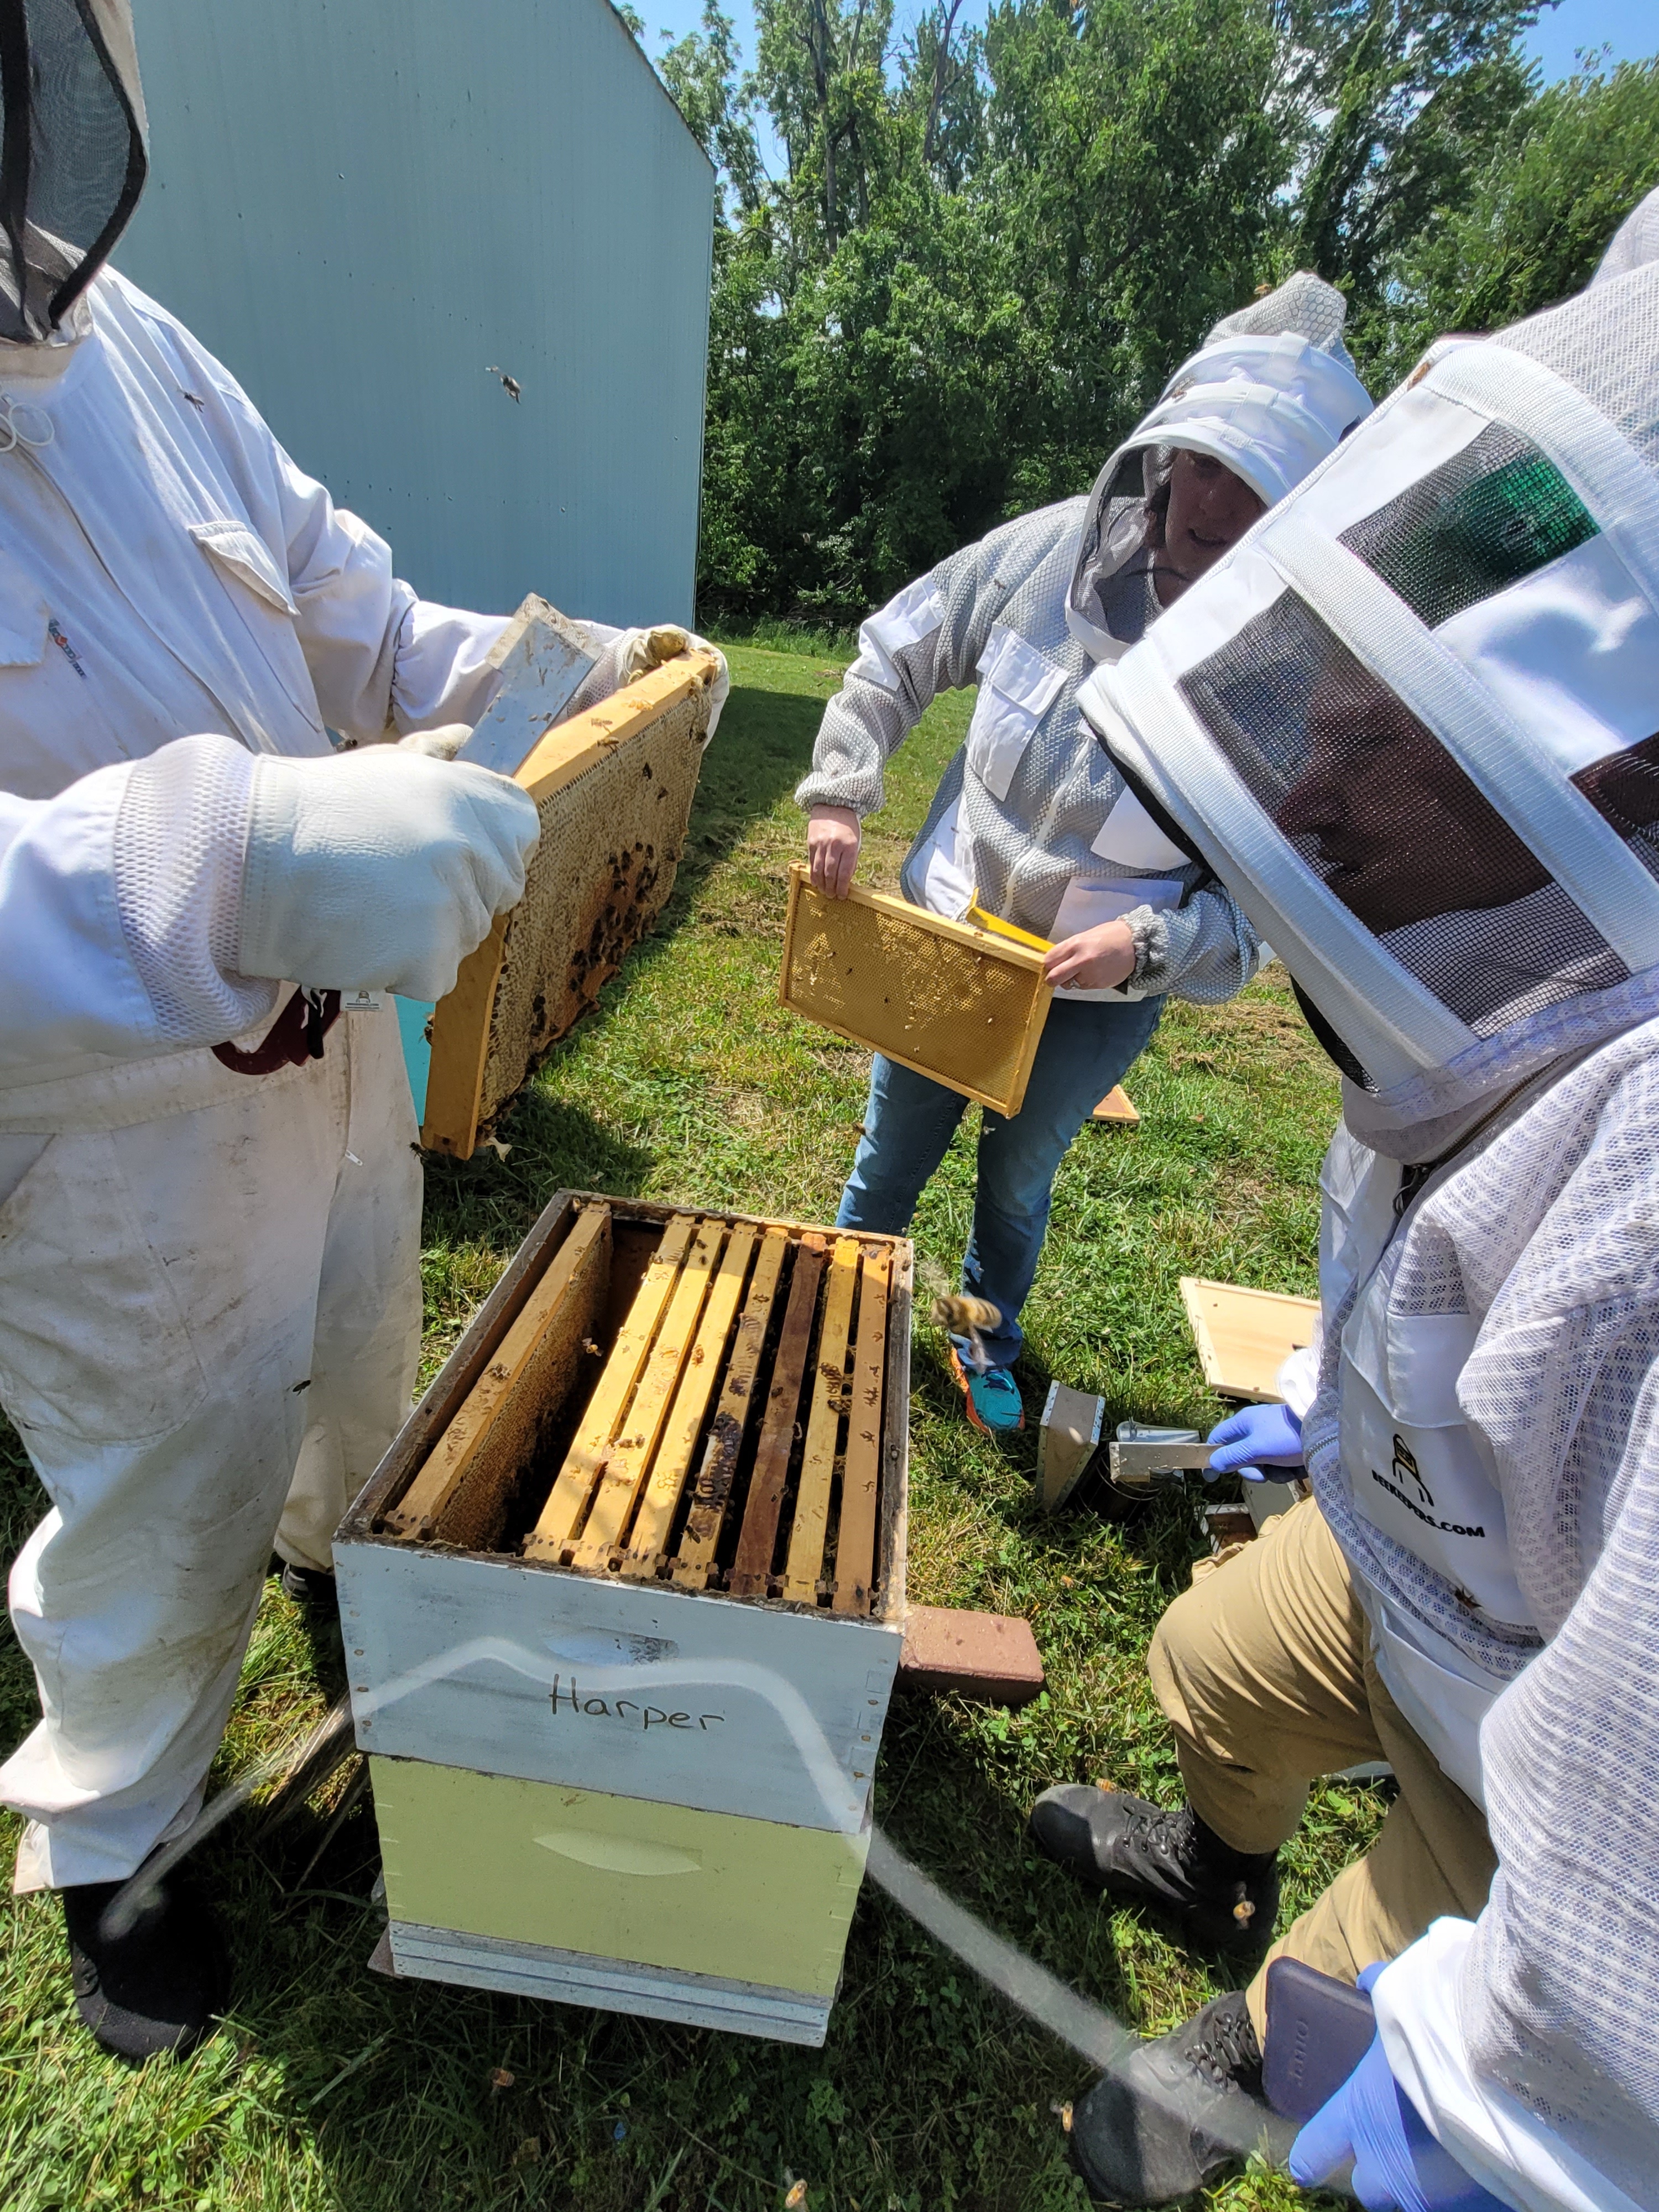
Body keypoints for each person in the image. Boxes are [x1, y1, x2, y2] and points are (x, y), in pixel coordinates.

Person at [0, 0, 723, 2062]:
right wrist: (216, 873)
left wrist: (527, 678)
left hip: (333, 1070)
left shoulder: (129, 347)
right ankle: (118, 1840)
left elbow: (336, 590)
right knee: (157, 1495)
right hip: (95, 1150)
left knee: (362, 1377)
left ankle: (354, 1593)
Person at [1031, 189, 1659, 2211]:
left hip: (1536, 1717)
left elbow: (1611, 2006)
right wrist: (1339, 1408)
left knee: (1360, 1997)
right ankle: (1217, 1870)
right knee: (1213, 1665)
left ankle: (1271, 2024)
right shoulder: (1494, 998)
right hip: (1402, 1548)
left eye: (1374, 747)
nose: (1297, 800)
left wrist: (1486, 2130)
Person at [797, 275, 1371, 1433]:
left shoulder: (1293, 673)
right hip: (951, 938)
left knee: (1018, 1178)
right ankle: (847, 1307)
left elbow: (1270, 901)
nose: (1220, 499)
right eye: (1207, 462)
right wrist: (839, 797)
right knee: (891, 1148)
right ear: (1164, 456)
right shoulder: (1052, 550)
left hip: (1095, 992)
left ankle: (984, 1335)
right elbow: (901, 645)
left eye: (1259, 481)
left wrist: (1149, 941)